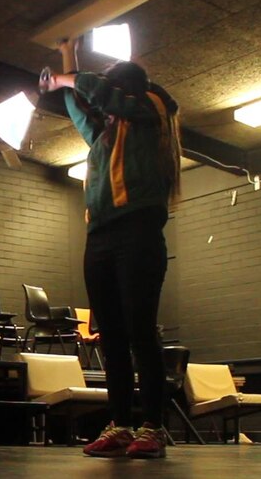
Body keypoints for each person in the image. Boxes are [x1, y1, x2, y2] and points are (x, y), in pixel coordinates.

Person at [40, 39, 182, 459]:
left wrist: (69, 75)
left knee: (141, 333)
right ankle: (121, 425)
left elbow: (101, 93)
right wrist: (68, 60)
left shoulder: (153, 109)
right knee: (112, 338)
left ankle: (152, 427)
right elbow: (79, 105)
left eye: (113, 93)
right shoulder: (104, 136)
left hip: (137, 232)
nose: (106, 104)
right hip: (100, 238)